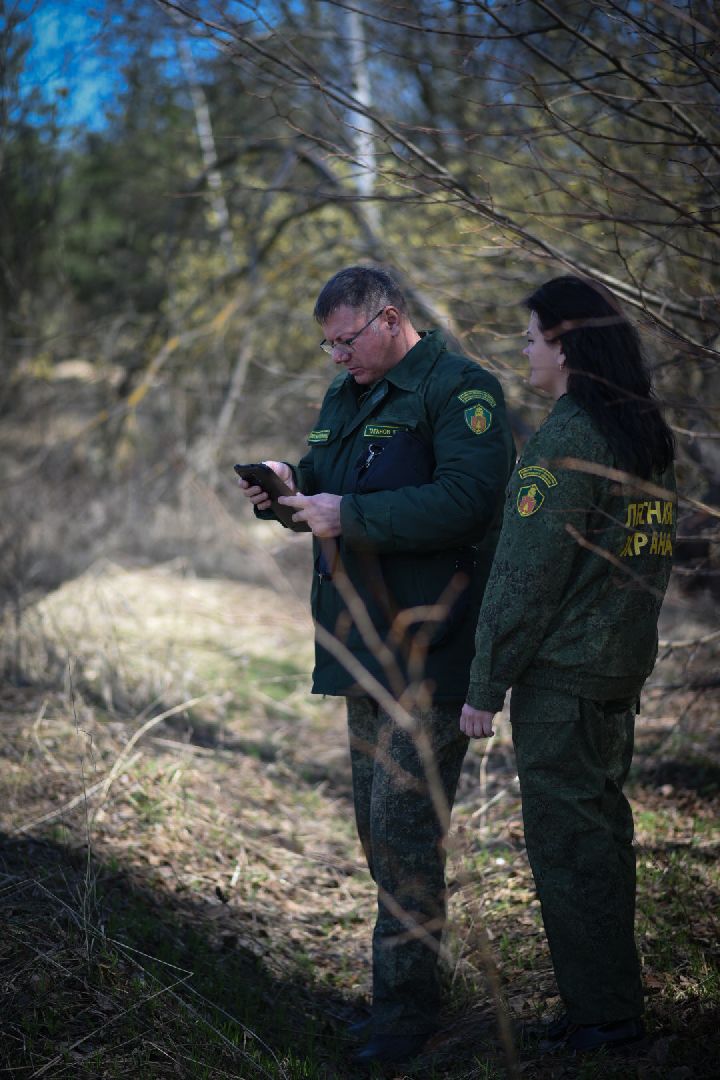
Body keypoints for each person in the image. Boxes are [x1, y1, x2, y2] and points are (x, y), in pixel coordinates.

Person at [239, 266, 515, 1065]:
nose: (335, 357)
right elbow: (327, 493)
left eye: (345, 340)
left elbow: (469, 500)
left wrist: (348, 513)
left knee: (403, 833)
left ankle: (404, 1021)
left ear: (390, 320)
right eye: (326, 344)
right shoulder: (349, 394)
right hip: (360, 648)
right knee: (376, 829)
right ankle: (407, 993)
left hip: (430, 650)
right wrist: (290, 491)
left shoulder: (461, 390)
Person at [460, 275, 676, 1053]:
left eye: (530, 337)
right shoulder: (641, 433)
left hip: (563, 684)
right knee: (603, 835)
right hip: (617, 674)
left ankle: (603, 1021)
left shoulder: (568, 439)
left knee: (567, 844)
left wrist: (483, 684)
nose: (522, 352)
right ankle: (609, 1002)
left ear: (565, 343)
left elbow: (523, 578)